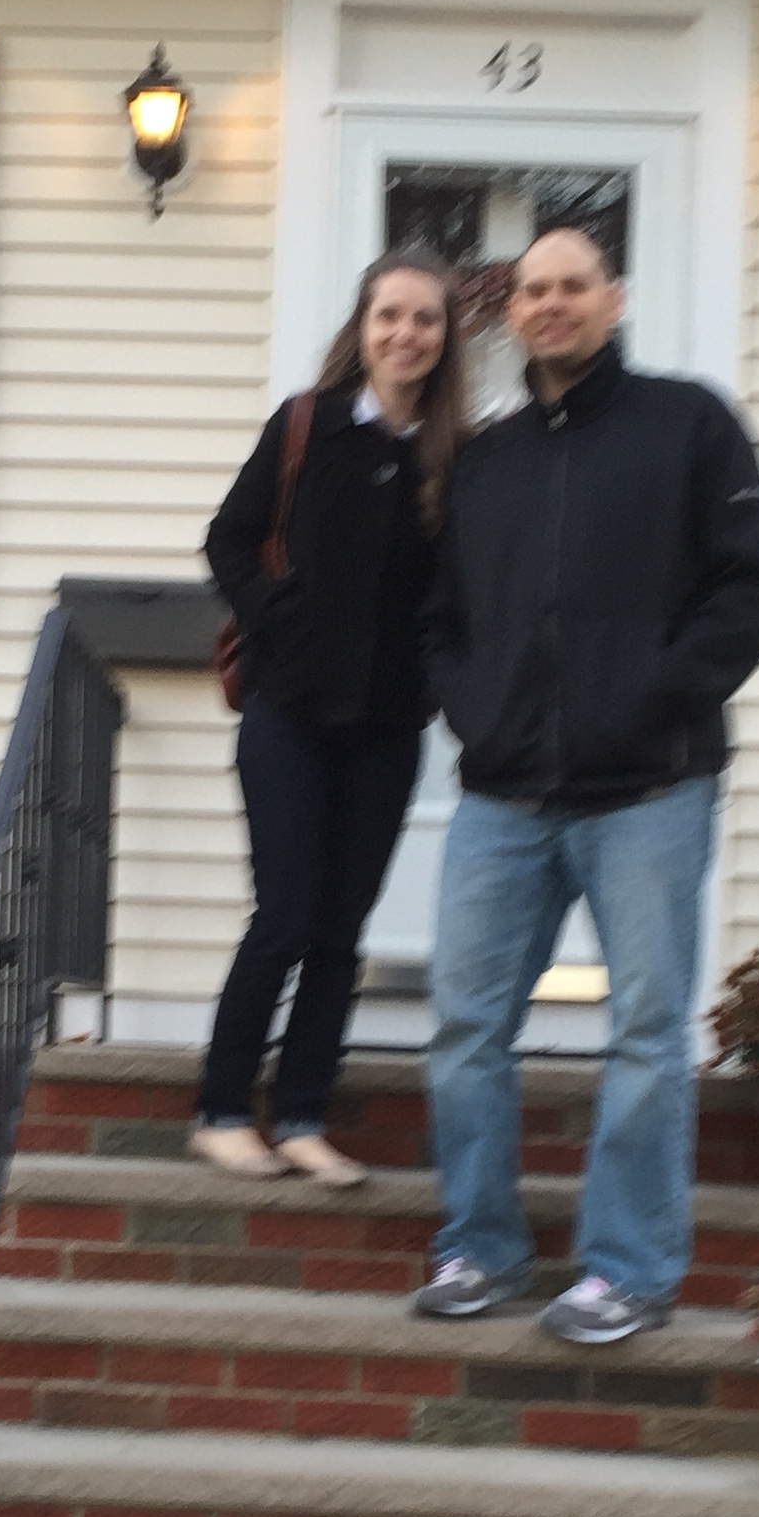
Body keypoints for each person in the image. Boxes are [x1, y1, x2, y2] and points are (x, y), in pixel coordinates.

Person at [413, 225, 759, 1340]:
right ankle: (479, 1250)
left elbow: (750, 591)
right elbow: (440, 619)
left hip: (651, 792)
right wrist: (477, 710)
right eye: (533, 290)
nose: (552, 304)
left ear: (613, 300)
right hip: (504, 798)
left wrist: (652, 698)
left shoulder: (691, 425)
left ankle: (626, 1271)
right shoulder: (487, 459)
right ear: (511, 310)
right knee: (465, 1029)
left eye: (573, 285)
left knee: (646, 1036)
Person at [195, 252, 469, 1185]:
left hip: (387, 729)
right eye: (390, 315)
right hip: (288, 714)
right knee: (285, 916)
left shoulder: (453, 455)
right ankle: (222, 1111)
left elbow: (457, 590)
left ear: (446, 337)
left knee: (342, 932)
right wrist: (276, 620)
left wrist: (433, 678)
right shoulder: (306, 425)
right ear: (363, 326)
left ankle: (304, 1117)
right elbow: (228, 540)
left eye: (425, 318)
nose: (406, 334)